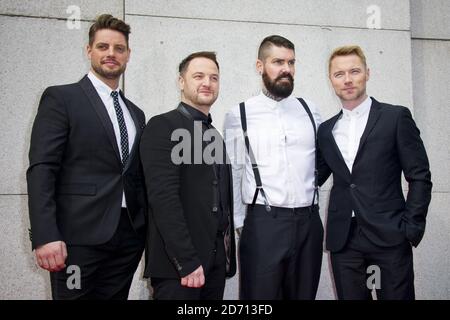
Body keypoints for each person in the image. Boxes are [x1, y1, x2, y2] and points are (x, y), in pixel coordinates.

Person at [26, 14, 147, 299]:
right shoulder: (61, 98)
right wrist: (46, 235)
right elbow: (42, 168)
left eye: (119, 48)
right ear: (88, 50)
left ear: (128, 55)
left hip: (127, 239)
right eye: (103, 46)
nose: (111, 54)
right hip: (76, 240)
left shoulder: (136, 113)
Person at [317, 45, 432, 300]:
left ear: (367, 73)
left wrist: (410, 228)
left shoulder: (395, 117)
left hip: (389, 236)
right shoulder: (325, 130)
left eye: (354, 71)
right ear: (331, 80)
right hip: (344, 240)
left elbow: (420, 176)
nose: (347, 79)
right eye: (339, 74)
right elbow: (312, 176)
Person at [224, 35, 324, 300]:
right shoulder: (239, 114)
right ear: (260, 66)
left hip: (309, 222)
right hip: (263, 224)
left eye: (291, 62)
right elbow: (234, 171)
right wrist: (240, 223)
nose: (286, 69)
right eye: (278, 62)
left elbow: (321, 163)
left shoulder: (310, 110)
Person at [140, 51, 236, 300]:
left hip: (214, 265)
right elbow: (163, 199)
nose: (207, 82)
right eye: (199, 76)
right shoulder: (162, 126)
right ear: (181, 82)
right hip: (180, 269)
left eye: (214, 77)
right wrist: (186, 261)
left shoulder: (214, 134)